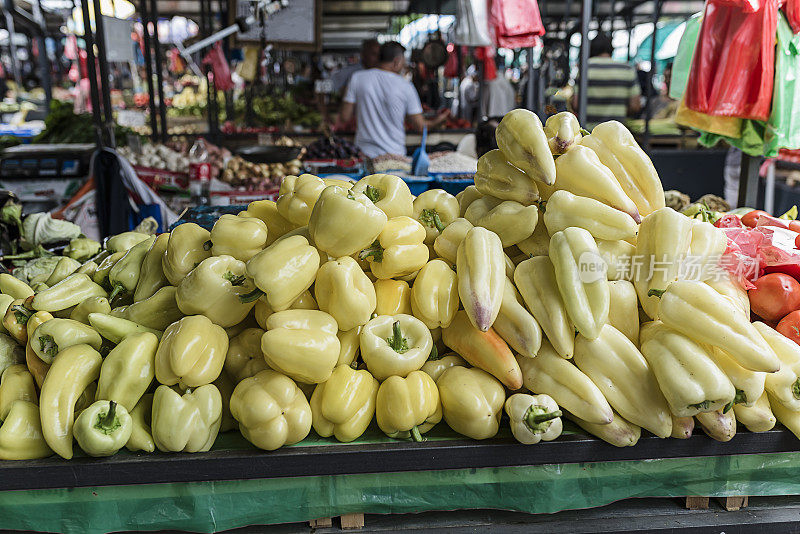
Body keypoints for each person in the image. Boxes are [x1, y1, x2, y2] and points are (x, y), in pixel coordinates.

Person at [338, 42, 450, 158]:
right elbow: (420, 126)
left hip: (364, 155)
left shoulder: (357, 78)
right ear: (397, 61)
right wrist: (439, 120)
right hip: (395, 157)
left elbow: (344, 116)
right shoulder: (406, 86)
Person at [571, 33, 641, 129]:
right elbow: (635, 106)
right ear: (611, 49)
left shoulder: (584, 68)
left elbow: (575, 104)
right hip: (617, 132)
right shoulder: (627, 69)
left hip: (589, 133)